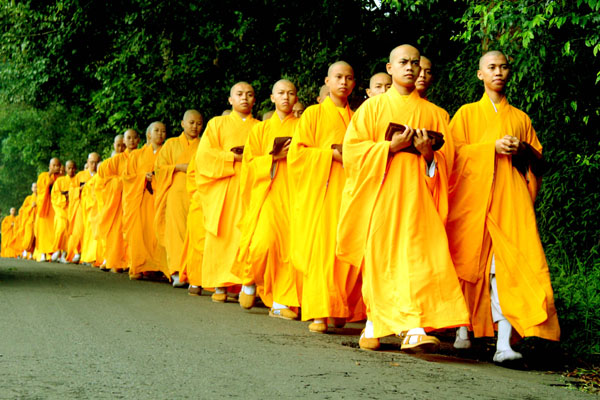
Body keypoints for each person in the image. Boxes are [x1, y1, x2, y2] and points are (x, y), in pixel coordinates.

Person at [337, 44, 470, 352]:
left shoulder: (436, 114)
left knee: (420, 261)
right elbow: (353, 154)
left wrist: (428, 155)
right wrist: (390, 148)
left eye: (415, 63)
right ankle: (376, 322)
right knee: (382, 262)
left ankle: (415, 326)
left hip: (421, 200)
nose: (410, 68)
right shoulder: (371, 109)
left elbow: (448, 164)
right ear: (390, 68)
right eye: (403, 62)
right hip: (381, 198)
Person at [447, 50, 560, 363]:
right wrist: (490, 148)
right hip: (474, 202)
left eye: (503, 67)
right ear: (480, 74)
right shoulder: (466, 114)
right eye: (491, 67)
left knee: (506, 270)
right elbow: (453, 156)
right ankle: (463, 325)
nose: (498, 72)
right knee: (470, 265)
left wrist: (521, 148)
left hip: (510, 202)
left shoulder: (520, 118)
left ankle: (504, 344)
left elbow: (538, 162)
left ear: (509, 72)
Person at [288, 61, 365, 333]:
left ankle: (338, 306)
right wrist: (329, 155)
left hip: (351, 193)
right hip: (322, 192)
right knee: (322, 252)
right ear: (328, 81)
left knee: (345, 251)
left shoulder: (359, 116)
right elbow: (297, 154)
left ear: (354, 83)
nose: (343, 82)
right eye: (338, 77)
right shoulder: (312, 114)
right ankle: (319, 311)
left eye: (349, 78)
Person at [236, 79, 302, 318]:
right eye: (281, 93)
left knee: (289, 248)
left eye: (291, 93)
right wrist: (273, 158)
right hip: (268, 193)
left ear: (296, 98)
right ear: (272, 98)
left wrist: (294, 155)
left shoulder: (303, 126)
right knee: (262, 243)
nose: (286, 97)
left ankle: (281, 301)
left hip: (295, 194)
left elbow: (311, 156)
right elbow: (249, 164)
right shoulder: (261, 130)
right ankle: (250, 277)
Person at [196, 82, 259, 302]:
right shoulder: (217, 124)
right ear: (230, 100)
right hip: (225, 187)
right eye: (239, 94)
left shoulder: (260, 127)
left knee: (247, 235)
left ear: (254, 100)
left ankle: (246, 283)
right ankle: (220, 284)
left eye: (249, 95)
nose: (244, 98)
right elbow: (204, 156)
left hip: (252, 186)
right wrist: (233, 157)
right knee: (223, 234)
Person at [154, 110, 202, 287]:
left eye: (198, 124)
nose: (194, 127)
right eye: (191, 123)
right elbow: (159, 169)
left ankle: (193, 271)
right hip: (175, 194)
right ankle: (176, 271)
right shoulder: (171, 144)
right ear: (182, 124)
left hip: (197, 194)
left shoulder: (204, 144)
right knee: (175, 232)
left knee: (194, 231)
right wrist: (178, 167)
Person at [123, 122, 169, 280]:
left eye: (163, 131)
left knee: (159, 232)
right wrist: (143, 177)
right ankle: (140, 266)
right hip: (142, 199)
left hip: (161, 198)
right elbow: (127, 178)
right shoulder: (136, 155)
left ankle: (160, 267)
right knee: (141, 233)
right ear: (148, 135)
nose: (160, 134)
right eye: (156, 130)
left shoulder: (168, 152)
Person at [96, 130, 140, 273]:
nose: (131, 141)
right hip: (119, 202)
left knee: (137, 231)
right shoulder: (116, 160)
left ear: (139, 140)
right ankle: (117, 260)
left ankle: (135, 262)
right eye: (128, 138)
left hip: (138, 200)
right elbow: (102, 177)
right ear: (124, 141)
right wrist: (121, 181)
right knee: (117, 232)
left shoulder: (143, 156)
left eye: (134, 138)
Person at [34, 158, 61, 262]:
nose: (56, 168)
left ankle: (54, 253)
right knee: (44, 232)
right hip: (44, 208)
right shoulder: (42, 176)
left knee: (55, 231)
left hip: (55, 207)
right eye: (54, 165)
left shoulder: (60, 178)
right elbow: (40, 191)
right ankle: (43, 254)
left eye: (58, 165)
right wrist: (48, 184)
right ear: (49, 166)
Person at [50, 160, 77, 263]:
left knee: (69, 231)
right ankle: (57, 249)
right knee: (61, 227)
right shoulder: (60, 181)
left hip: (73, 208)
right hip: (61, 208)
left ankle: (64, 254)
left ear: (75, 169)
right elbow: (54, 195)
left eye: (73, 168)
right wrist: (65, 197)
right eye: (69, 168)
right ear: (65, 169)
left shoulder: (77, 179)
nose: (71, 170)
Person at [80, 153, 102, 266]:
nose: (94, 165)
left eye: (97, 162)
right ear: (87, 162)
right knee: (88, 232)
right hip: (85, 207)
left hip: (98, 207)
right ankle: (88, 256)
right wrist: (80, 189)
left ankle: (94, 256)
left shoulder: (102, 175)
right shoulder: (80, 176)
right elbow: (71, 190)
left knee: (96, 231)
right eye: (92, 162)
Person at [17, 183, 37, 259]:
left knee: (35, 238)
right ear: (32, 189)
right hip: (30, 221)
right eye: (34, 187)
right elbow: (22, 210)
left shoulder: (41, 197)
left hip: (38, 221)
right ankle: (25, 251)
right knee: (29, 237)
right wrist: (30, 207)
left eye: (37, 187)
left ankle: (32, 253)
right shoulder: (28, 198)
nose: (36, 189)